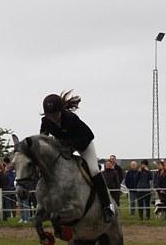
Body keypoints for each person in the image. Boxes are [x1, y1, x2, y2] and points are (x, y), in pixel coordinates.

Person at [39, 90, 114, 223]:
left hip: (83, 144)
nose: (52, 118)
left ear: (60, 111)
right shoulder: (46, 121)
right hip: (64, 148)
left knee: (94, 170)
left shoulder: (71, 119)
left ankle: (107, 205)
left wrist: (71, 147)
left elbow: (88, 136)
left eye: (55, 114)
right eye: (49, 115)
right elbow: (43, 140)